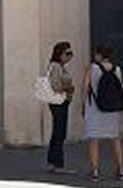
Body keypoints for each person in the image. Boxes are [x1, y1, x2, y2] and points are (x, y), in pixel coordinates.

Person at [81, 44, 123, 182]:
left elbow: (85, 86)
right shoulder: (117, 69)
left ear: (99, 55)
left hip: (95, 108)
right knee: (115, 139)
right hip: (112, 109)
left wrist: (82, 104)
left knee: (94, 139)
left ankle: (94, 170)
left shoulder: (92, 68)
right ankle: (120, 169)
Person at [46, 41, 76, 174]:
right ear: (60, 54)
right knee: (59, 132)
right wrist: (69, 88)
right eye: (67, 53)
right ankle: (58, 164)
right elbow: (56, 86)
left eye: (71, 53)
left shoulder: (61, 67)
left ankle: (53, 162)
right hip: (58, 102)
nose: (70, 56)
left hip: (62, 101)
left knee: (58, 132)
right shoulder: (56, 66)